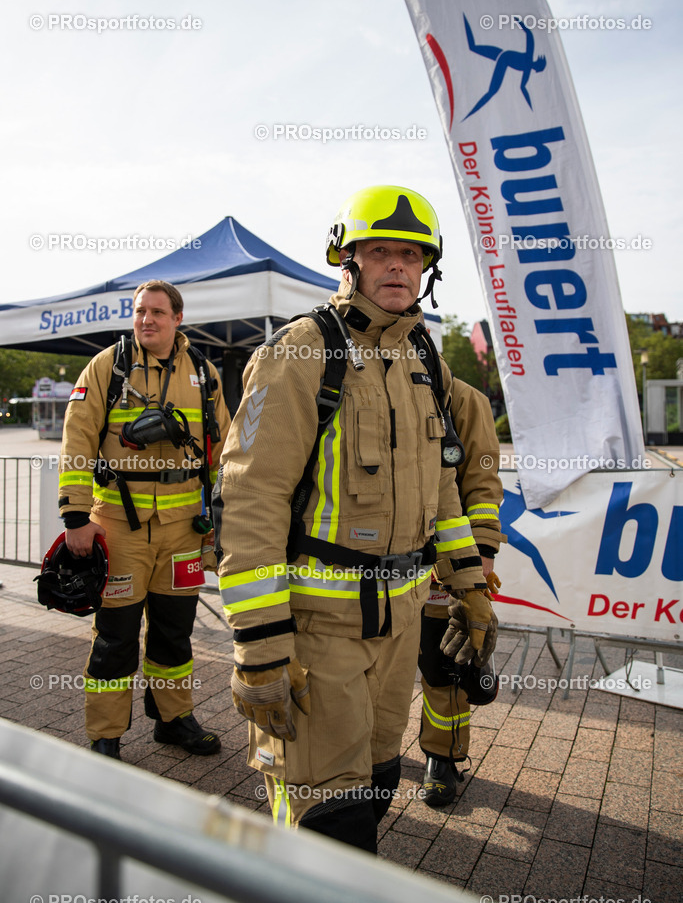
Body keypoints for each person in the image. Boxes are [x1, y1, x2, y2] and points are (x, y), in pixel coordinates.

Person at [215, 185, 497, 852]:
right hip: (319, 635)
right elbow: (252, 500)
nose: (398, 266)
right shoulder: (301, 352)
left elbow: (443, 492)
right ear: (348, 260)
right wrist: (260, 645)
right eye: (380, 252)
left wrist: (469, 588)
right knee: (326, 825)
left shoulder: (423, 360)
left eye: (412, 255)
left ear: (427, 269)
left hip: (400, 632)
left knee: (375, 788)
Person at [58, 279, 230, 759]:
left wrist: (222, 517)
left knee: (175, 632)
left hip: (184, 533)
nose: (146, 320)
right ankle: (105, 734)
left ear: (178, 318)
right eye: (139, 311)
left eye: (156, 312)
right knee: (115, 637)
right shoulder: (107, 366)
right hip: (118, 527)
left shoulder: (203, 372)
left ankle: (173, 720)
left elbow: (222, 451)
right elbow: (77, 439)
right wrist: (75, 516)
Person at [419, 375, 505, 806]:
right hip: (380, 565)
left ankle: (443, 757)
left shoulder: (466, 399)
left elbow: (482, 484)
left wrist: (480, 560)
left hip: (447, 564)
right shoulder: (360, 381)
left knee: (445, 665)